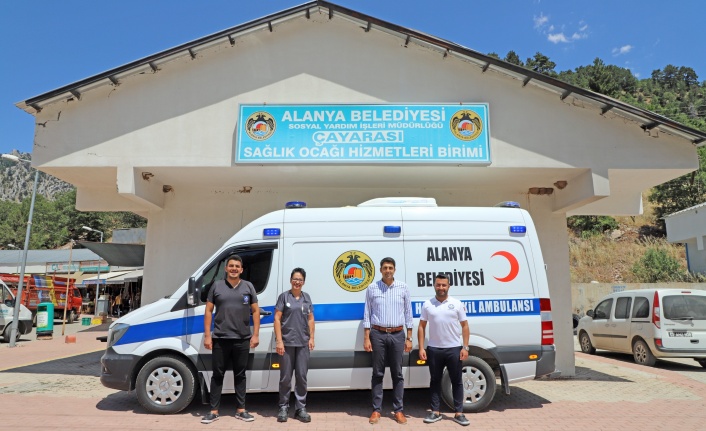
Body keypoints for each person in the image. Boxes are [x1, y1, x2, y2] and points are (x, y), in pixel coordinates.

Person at [201, 255, 260, 424]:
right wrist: (207, 335)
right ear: (226, 268)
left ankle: (241, 410)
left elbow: (256, 311)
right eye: (231, 266)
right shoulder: (216, 286)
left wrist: (255, 334)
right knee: (217, 375)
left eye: (237, 266)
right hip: (220, 338)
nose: (234, 268)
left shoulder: (248, 287)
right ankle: (213, 411)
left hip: (242, 338)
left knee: (240, 375)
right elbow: (208, 310)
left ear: (241, 270)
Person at [363, 257, 413, 425]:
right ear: (380, 269)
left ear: (395, 269)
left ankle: (398, 410)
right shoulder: (372, 288)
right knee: (378, 373)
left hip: (398, 335)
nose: (388, 270)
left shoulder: (403, 288)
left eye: (390, 267)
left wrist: (409, 338)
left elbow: (408, 313)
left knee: (397, 374)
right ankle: (376, 410)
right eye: (385, 267)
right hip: (378, 334)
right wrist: (366, 337)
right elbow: (367, 314)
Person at [417, 274, 470, 427]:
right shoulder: (428, 304)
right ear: (434, 285)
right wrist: (422, 347)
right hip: (434, 349)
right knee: (435, 381)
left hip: (454, 348)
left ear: (448, 286)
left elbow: (465, 326)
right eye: (438, 285)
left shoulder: (457, 304)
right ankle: (435, 411)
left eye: (444, 285)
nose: (441, 288)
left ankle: (459, 413)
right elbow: (421, 326)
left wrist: (465, 347)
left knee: (457, 381)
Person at [274, 268, 315, 423]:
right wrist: (279, 341)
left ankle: (300, 408)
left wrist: (311, 338)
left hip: (303, 343)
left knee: (302, 377)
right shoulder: (284, 297)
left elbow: (311, 319)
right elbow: (277, 319)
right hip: (287, 343)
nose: (297, 282)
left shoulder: (307, 298)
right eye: (295, 279)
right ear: (291, 280)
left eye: (300, 279)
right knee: (285, 377)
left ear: (303, 282)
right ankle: (283, 407)